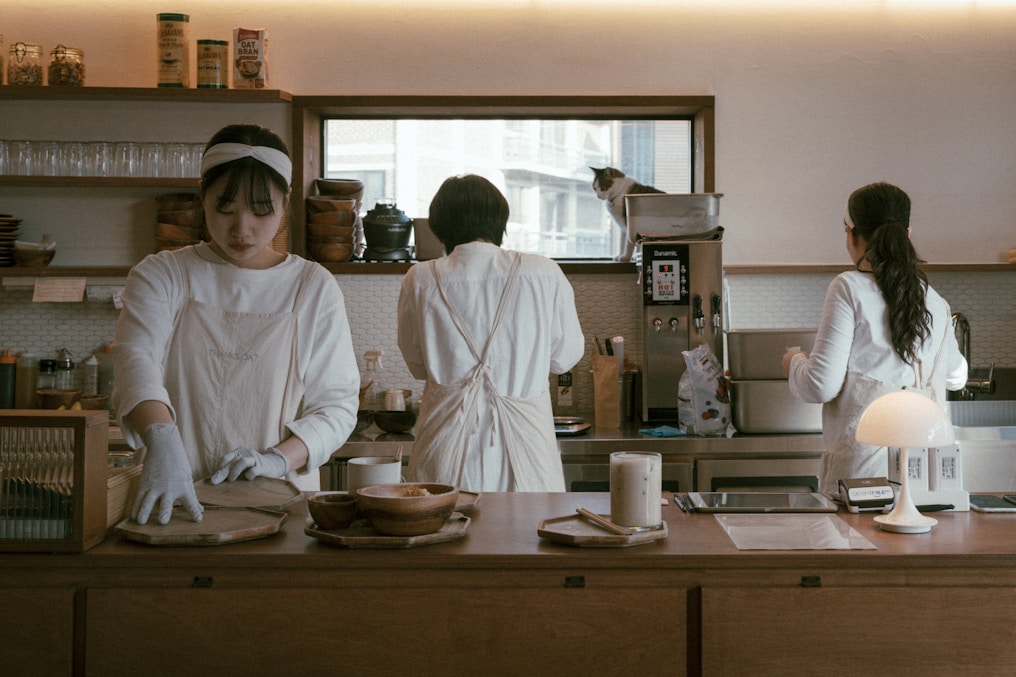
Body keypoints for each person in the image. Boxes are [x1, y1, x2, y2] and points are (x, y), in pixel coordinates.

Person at [114, 123, 360, 525]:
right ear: (202, 200)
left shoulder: (311, 286)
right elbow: (135, 360)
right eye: (224, 209)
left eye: (261, 211)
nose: (242, 229)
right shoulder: (164, 274)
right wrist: (161, 440)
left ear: (284, 204)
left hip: (280, 506)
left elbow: (336, 405)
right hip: (172, 504)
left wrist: (278, 459)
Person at [397, 174, 584, 492]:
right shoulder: (543, 272)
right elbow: (564, 358)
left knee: (444, 534)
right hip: (528, 457)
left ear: (441, 225)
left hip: (445, 454)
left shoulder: (420, 279)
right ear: (500, 220)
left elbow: (417, 365)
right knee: (526, 538)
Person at [782, 182, 967, 494]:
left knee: (861, 543)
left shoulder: (848, 288)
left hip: (864, 482)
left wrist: (794, 362)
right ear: (907, 234)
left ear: (852, 235)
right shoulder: (934, 300)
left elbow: (819, 385)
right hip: (928, 479)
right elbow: (957, 377)